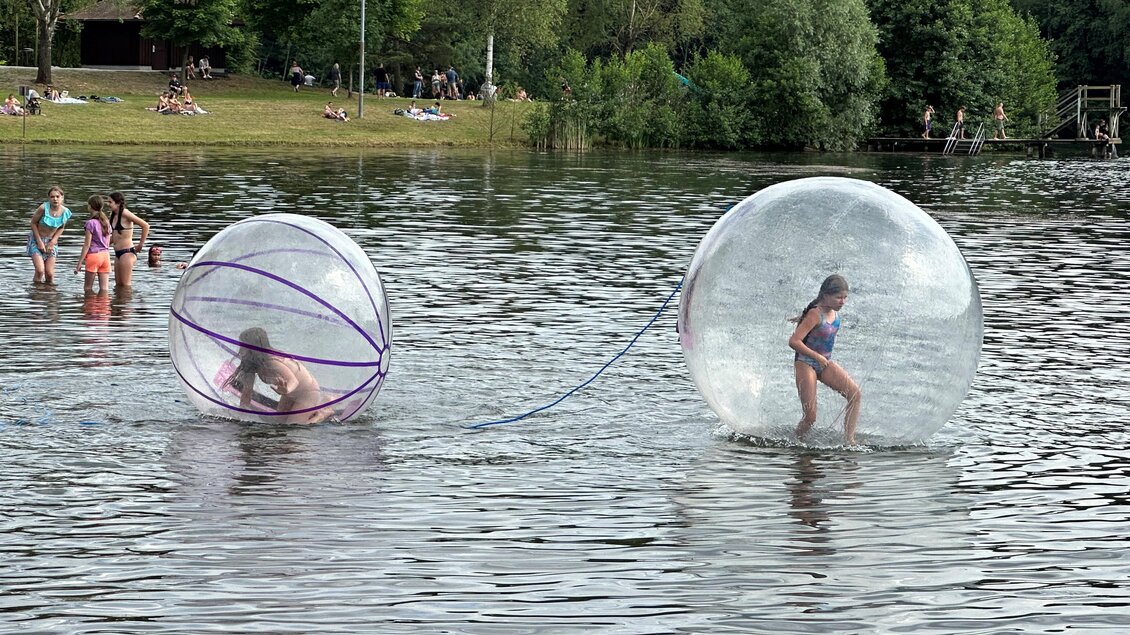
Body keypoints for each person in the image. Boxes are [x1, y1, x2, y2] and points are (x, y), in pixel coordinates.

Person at [788, 274, 862, 446]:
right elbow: (794, 341)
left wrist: (802, 319)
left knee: (855, 395)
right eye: (838, 297)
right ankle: (794, 442)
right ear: (825, 296)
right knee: (810, 417)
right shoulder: (815, 313)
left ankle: (849, 441)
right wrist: (816, 356)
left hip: (824, 363)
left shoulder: (834, 313)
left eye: (845, 297)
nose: (842, 302)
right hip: (806, 363)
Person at [222, 327, 333, 424]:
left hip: (307, 391)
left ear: (254, 348)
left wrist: (286, 390)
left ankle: (322, 414)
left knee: (294, 426)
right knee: (279, 423)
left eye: (243, 346)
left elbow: (293, 380)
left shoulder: (272, 362)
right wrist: (240, 417)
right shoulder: (251, 365)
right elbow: (246, 395)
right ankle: (323, 401)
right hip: (288, 392)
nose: (240, 350)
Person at [27, 185, 73, 284]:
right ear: (49, 198)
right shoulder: (43, 208)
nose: (55, 199)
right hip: (37, 239)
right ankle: (37, 293)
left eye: (57, 196)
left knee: (49, 273)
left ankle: (49, 294)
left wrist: (53, 241)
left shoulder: (65, 212)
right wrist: (39, 242)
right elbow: (33, 223)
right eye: (52, 197)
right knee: (40, 270)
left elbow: (61, 228)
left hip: (51, 241)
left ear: (62, 197)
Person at [107, 191, 150, 288]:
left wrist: (140, 245)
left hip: (127, 253)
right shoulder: (113, 215)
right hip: (118, 253)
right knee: (118, 285)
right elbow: (115, 237)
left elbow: (145, 226)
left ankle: (127, 303)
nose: (107, 204)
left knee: (125, 286)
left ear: (118, 203)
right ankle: (118, 303)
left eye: (110, 202)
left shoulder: (125, 213)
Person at [73, 195, 112, 294]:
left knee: (87, 288)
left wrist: (79, 263)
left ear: (90, 206)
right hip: (106, 256)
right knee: (104, 289)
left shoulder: (90, 223)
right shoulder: (107, 222)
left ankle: (90, 308)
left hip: (94, 256)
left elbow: (87, 245)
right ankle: (104, 308)